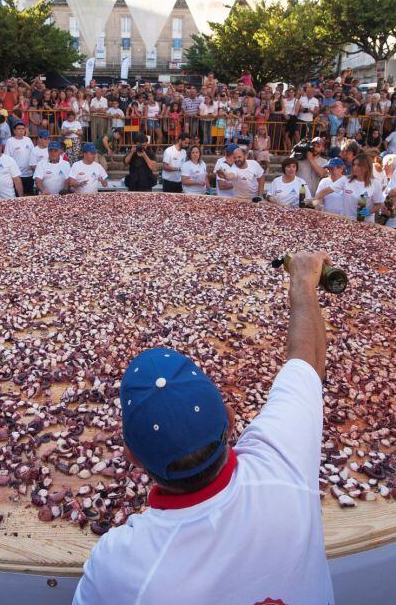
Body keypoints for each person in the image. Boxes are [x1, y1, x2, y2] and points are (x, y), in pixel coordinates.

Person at [74, 251, 333, 605]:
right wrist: (303, 284)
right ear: (229, 418)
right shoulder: (283, 465)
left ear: (132, 457)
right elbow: (307, 363)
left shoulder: (120, 569)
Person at [315, 154, 383, 220]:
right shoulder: (345, 180)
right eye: (354, 164)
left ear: (366, 168)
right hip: (347, 221)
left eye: (358, 165)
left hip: (366, 222)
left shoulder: (375, 183)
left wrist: (368, 212)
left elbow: (378, 204)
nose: (355, 167)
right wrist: (315, 201)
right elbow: (325, 191)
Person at [4, 121, 35, 195]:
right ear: (14, 131)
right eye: (19, 129)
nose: (21, 130)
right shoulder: (10, 141)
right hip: (17, 176)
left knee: (29, 197)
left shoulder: (28, 140)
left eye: (23, 129)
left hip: (29, 174)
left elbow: (33, 155)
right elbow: (7, 159)